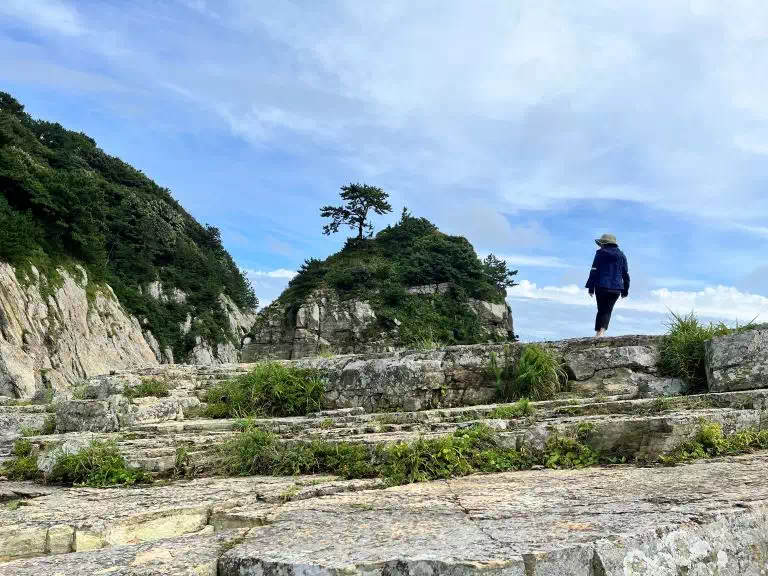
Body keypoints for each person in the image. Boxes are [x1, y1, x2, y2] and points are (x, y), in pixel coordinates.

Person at [585, 233, 630, 337]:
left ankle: (598, 333)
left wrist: (591, 287)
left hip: (601, 285)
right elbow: (625, 274)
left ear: (604, 244)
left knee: (601, 309)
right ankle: (602, 331)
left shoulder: (600, 253)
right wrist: (625, 290)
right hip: (616, 287)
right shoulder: (622, 255)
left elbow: (594, 271)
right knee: (608, 310)